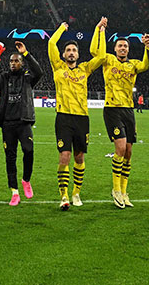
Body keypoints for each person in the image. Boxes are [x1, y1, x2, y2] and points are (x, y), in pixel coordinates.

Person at [90, 16, 149, 208]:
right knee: (121, 148)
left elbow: (146, 65)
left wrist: (148, 48)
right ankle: (115, 190)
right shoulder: (107, 60)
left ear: (128, 49)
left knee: (129, 152)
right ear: (115, 48)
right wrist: (99, 29)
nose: (123, 48)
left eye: (125, 46)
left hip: (128, 110)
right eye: (120, 46)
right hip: (112, 109)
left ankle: (124, 191)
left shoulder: (133, 64)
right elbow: (94, 51)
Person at [48, 22, 105, 210]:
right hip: (63, 117)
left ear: (78, 55)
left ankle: (76, 193)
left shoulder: (85, 69)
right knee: (64, 156)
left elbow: (102, 56)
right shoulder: (57, 67)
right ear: (64, 54)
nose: (71, 53)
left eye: (74, 50)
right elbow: (51, 44)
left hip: (82, 118)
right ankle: (63, 196)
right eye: (68, 50)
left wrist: (100, 31)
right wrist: (61, 29)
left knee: (79, 157)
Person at [0, 40, 43, 206]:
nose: (13, 63)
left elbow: (39, 72)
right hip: (7, 124)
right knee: (10, 158)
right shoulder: (4, 78)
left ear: (22, 63)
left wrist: (26, 53)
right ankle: (14, 192)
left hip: (24, 122)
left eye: (17, 60)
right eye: (11, 61)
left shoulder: (28, 79)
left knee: (29, 150)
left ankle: (26, 180)